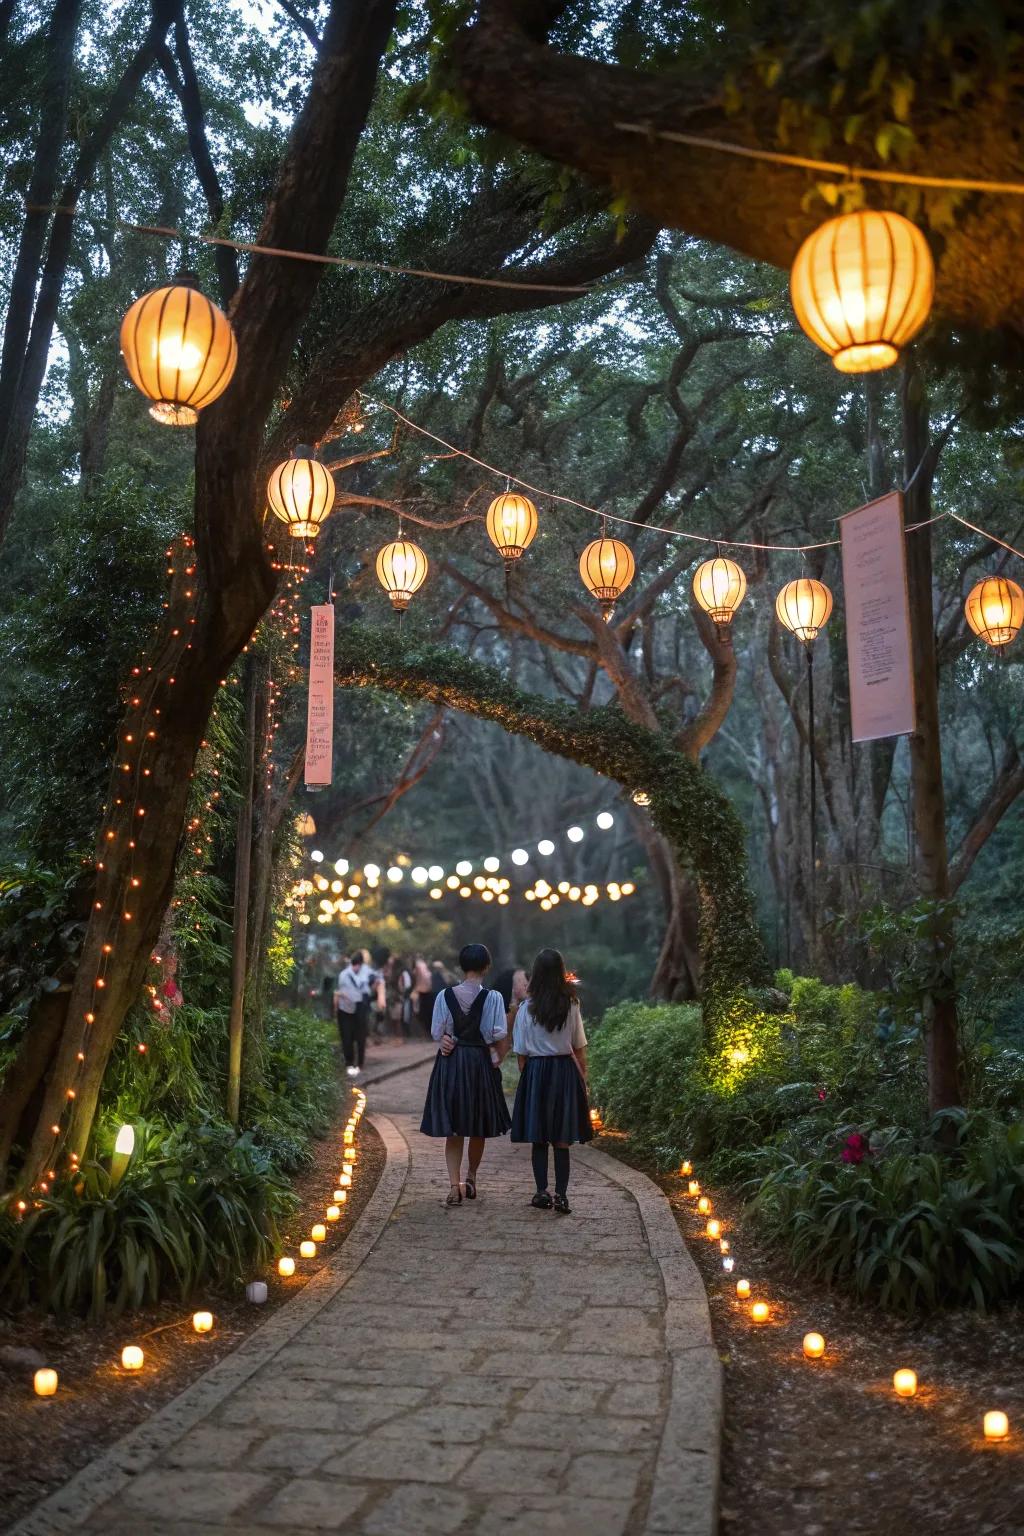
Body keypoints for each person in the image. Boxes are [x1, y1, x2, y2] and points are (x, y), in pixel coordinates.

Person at [420, 942, 511, 1206]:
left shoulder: (443, 996)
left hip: (452, 1063)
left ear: (461, 966)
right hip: (479, 1062)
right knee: (478, 1126)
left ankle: (453, 1185)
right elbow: (498, 1033)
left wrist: (447, 1039)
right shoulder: (493, 998)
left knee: (454, 1127)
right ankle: (471, 1176)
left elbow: (437, 1032)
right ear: (486, 967)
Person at [511, 948, 593, 1214]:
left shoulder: (526, 1008)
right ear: (560, 972)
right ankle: (562, 1195)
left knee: (539, 1136)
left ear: (535, 974)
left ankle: (541, 1191)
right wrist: (583, 1079)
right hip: (564, 1072)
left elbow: (520, 1052)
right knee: (561, 1138)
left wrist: (529, 1077)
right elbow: (579, 1047)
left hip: (536, 1072)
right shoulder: (571, 1005)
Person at [336, 951, 371, 1077]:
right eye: (355, 964)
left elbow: (368, 990)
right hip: (345, 1009)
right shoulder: (344, 975)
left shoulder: (364, 973)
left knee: (360, 1038)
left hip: (359, 1008)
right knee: (347, 1037)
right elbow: (339, 991)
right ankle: (349, 1063)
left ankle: (359, 1063)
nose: (357, 967)